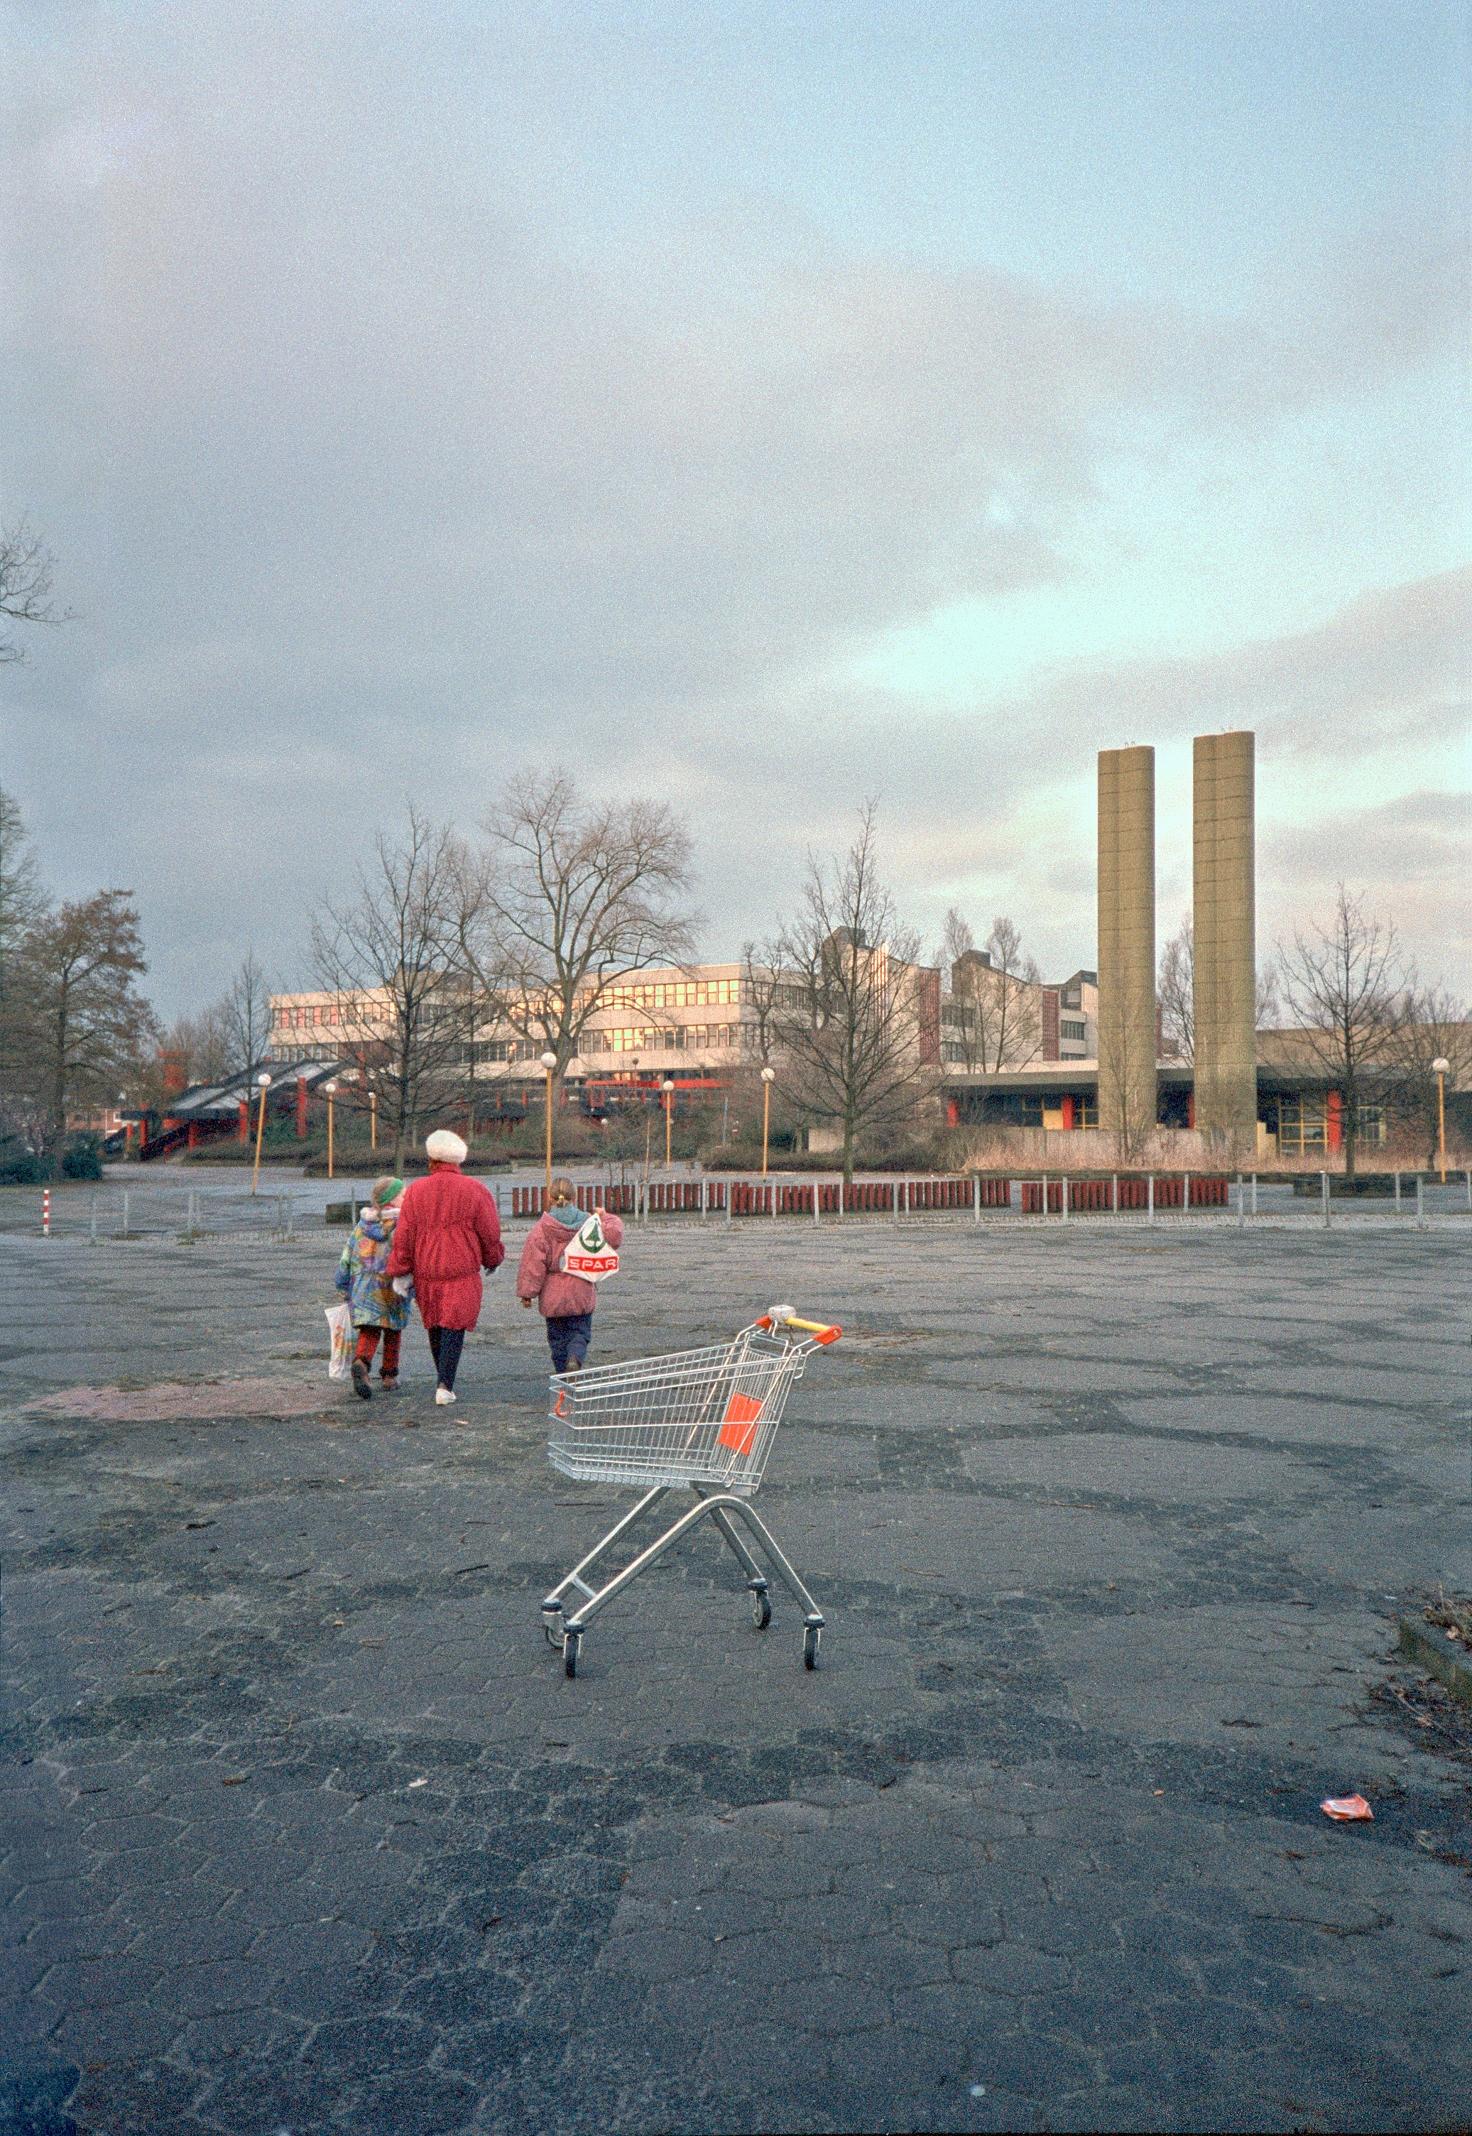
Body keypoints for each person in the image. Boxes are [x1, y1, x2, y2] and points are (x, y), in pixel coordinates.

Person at [385, 1130, 504, 1408]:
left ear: (431, 1158)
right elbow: (489, 1232)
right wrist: (493, 1259)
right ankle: (445, 1384)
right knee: (455, 1325)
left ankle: (443, 1379)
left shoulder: (415, 1191)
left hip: (427, 1269)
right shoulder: (476, 1190)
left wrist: (400, 1270)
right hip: (461, 1269)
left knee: (435, 1323)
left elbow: (405, 1234)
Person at [516, 1176, 624, 1376]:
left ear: (550, 1197)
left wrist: (527, 1293)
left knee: (557, 1339)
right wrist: (605, 1216)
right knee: (580, 1333)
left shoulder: (542, 1228)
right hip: (581, 1287)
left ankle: (562, 1376)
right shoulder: (589, 1223)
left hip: (553, 1294)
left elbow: (533, 1263)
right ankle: (574, 1358)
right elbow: (614, 1237)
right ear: (575, 1197)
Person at [334, 1176, 411, 1401]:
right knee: (393, 1330)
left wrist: (342, 1286)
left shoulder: (362, 1225)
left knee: (369, 1328)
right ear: (391, 1199)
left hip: (363, 1288)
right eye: (403, 1195)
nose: (407, 1198)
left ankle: (361, 1363)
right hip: (392, 1287)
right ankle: (389, 1375)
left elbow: (346, 1258)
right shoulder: (401, 1224)